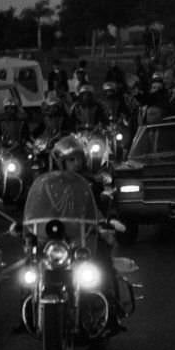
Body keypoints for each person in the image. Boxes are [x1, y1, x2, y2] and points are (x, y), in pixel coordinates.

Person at [50, 136, 123, 333]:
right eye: (70, 160)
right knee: (33, 264)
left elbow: (101, 204)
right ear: (61, 162)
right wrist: (25, 225)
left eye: (78, 159)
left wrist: (108, 220)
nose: (76, 164)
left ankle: (112, 311)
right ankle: (29, 309)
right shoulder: (49, 184)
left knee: (102, 262)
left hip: (86, 233)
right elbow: (38, 207)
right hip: (58, 236)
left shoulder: (91, 182)